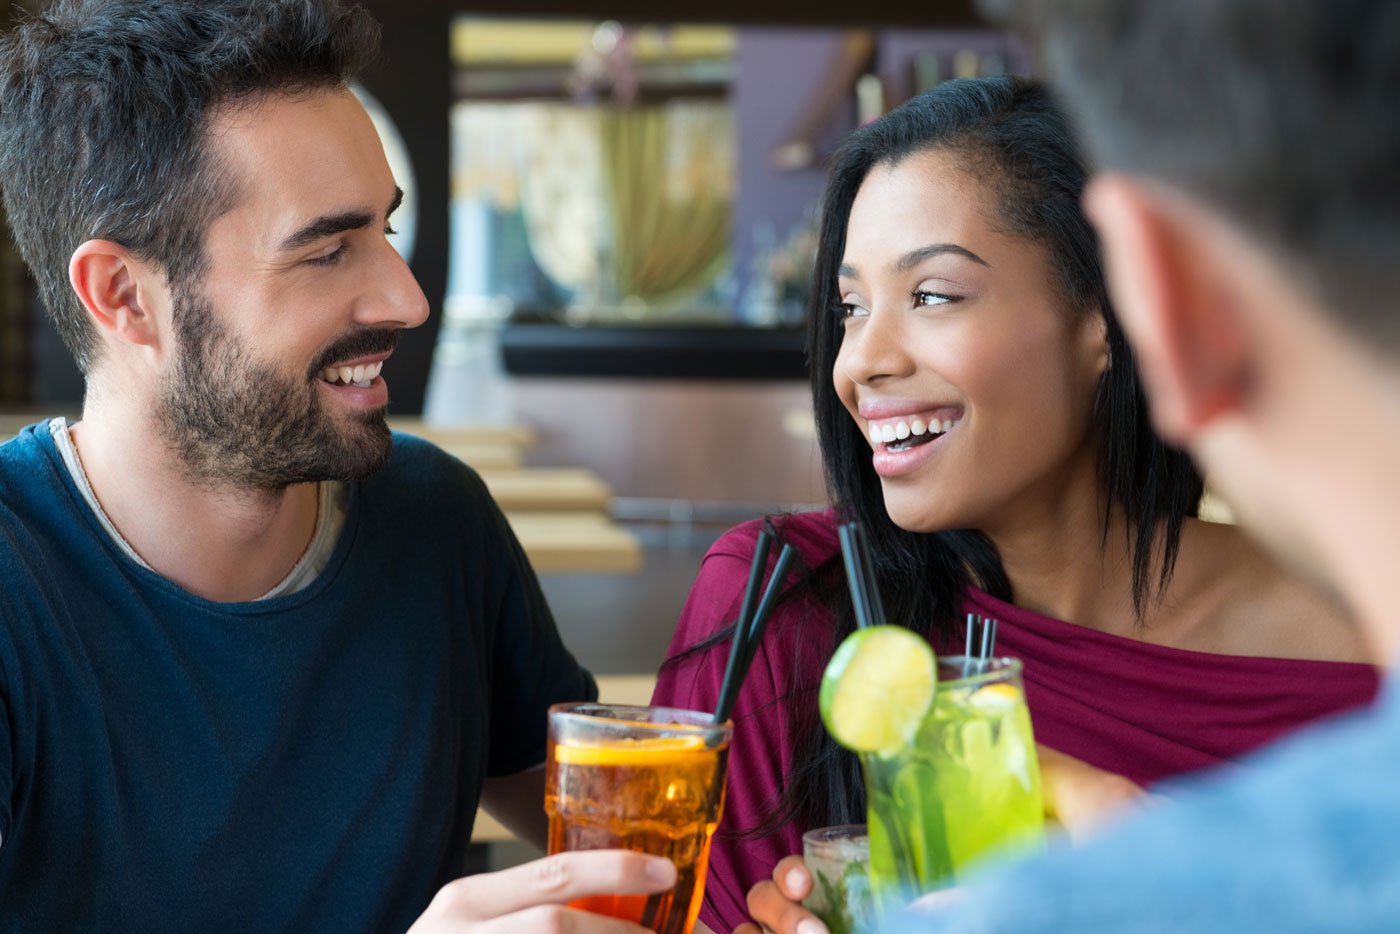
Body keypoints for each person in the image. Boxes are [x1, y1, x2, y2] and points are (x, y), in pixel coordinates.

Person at [651, 75, 1381, 933]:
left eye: (931, 295)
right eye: (850, 308)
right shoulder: (784, 607)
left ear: (1110, 313)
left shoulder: (1366, 627)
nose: (861, 362)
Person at [0, 1, 674, 930]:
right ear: (125, 296)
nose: (407, 297)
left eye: (386, 233)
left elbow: (632, 859)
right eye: (326, 251)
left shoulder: (437, 524)